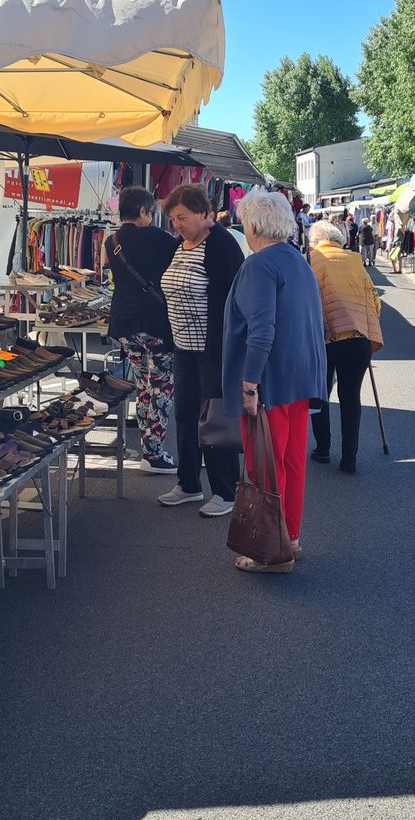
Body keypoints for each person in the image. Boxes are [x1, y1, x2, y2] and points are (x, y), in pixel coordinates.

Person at [223, 190, 327, 572]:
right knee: (291, 462)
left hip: (271, 380)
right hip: (300, 377)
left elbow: (261, 330)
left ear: (253, 226)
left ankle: (269, 549)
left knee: (265, 466)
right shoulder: (298, 261)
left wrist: (249, 384)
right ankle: (290, 539)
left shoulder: (259, 265)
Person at [158, 185, 244, 517]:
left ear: (205, 214)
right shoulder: (178, 246)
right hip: (183, 347)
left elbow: (236, 299)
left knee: (214, 419)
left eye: (182, 217)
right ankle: (189, 484)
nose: (176, 224)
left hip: (213, 350)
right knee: (185, 415)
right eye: (172, 218)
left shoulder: (221, 244)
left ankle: (226, 490)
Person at [104, 186, 179, 474]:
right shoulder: (160, 239)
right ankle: (154, 453)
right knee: (160, 386)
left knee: (144, 384)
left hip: (123, 323)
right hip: (154, 322)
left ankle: (149, 448)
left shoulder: (112, 241)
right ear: (143, 211)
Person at [308, 220, 383, 473]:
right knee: (351, 396)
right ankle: (349, 458)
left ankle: (323, 449)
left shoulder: (313, 260)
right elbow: (375, 301)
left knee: (321, 393)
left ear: (316, 241)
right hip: (359, 338)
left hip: (325, 338)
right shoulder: (355, 260)